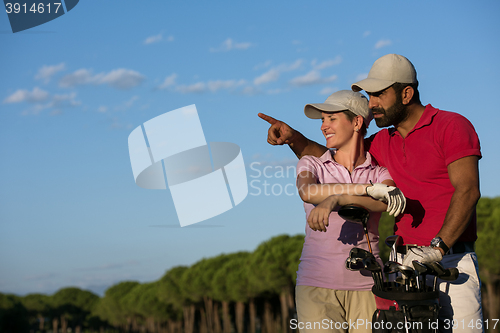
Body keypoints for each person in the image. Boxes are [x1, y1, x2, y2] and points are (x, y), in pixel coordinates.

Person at [259, 54, 483, 333]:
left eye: (379, 94)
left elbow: (468, 190)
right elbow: (332, 155)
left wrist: (437, 249)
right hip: (402, 267)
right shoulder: (381, 141)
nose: (372, 103)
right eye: (369, 95)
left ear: (406, 93)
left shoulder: (451, 125)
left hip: (450, 261)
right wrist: (293, 138)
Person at [293, 90, 405, 333]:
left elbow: (387, 202)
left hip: (369, 287)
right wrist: (366, 190)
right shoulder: (311, 164)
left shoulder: (379, 172)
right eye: (322, 120)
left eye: (331, 119)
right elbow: (308, 191)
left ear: (356, 122)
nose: (323, 127)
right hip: (316, 288)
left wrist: (338, 198)